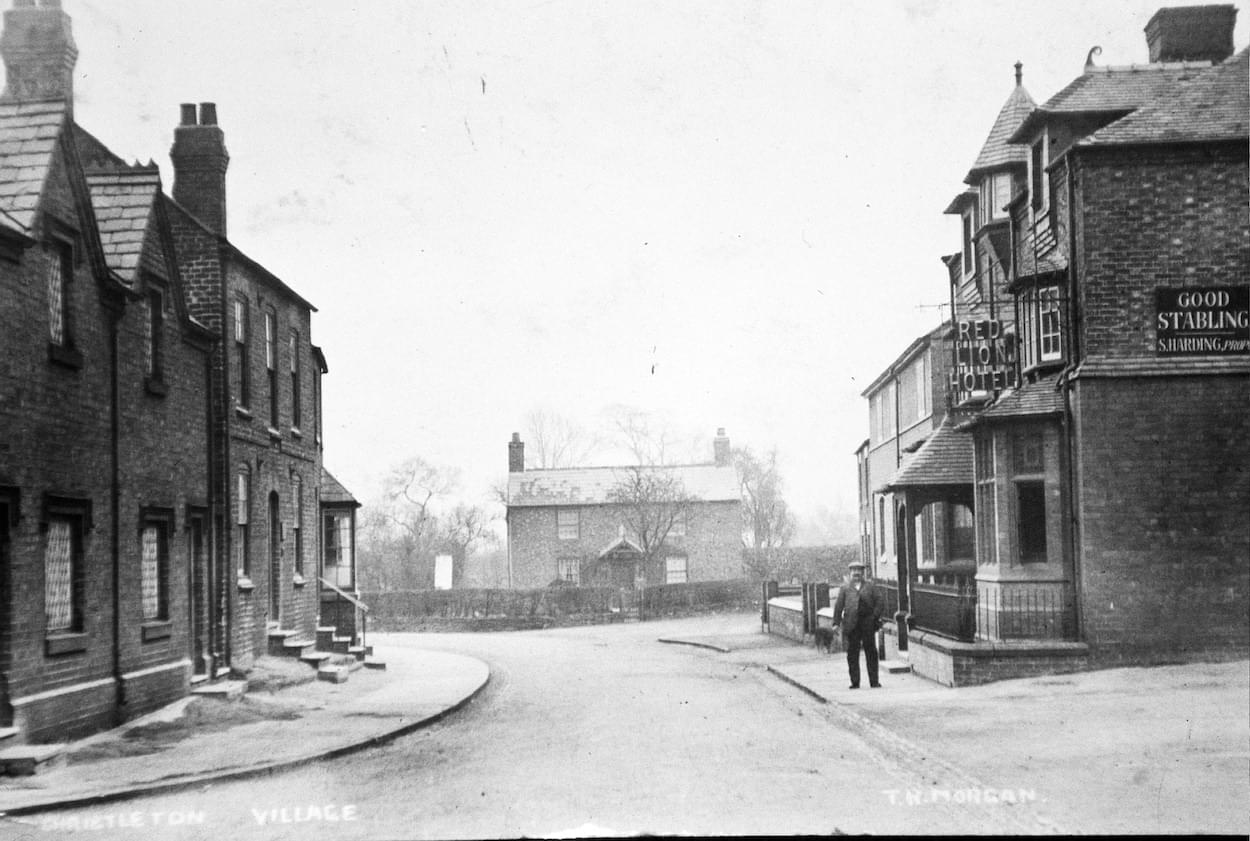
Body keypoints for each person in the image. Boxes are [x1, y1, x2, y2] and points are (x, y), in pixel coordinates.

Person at [831, 560, 885, 689]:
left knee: (871, 652)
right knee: (852, 653)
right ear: (850, 573)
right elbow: (838, 606)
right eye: (853, 571)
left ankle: (874, 681)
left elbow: (880, 602)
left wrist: (874, 617)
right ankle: (855, 682)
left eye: (859, 571)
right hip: (851, 624)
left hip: (867, 624)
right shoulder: (844, 588)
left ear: (862, 573)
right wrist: (836, 623)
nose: (856, 573)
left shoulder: (870, 586)